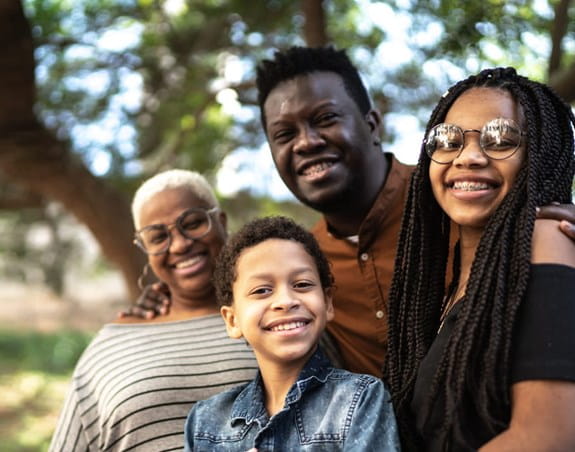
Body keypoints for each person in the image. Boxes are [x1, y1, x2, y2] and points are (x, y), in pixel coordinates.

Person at [125, 46, 575, 378]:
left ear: (372, 125)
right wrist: (161, 297)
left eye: (324, 119)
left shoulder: (463, 199)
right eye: (284, 134)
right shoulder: (300, 262)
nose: (305, 142)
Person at [385, 67, 575, 451]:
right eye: (447, 140)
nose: (468, 157)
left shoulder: (548, 237)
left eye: (501, 138)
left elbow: (550, 437)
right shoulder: (450, 284)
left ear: (539, 154)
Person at [49, 170, 258, 451]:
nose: (181, 244)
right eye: (158, 237)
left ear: (220, 221)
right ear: (145, 249)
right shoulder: (115, 341)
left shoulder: (276, 317)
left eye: (193, 223)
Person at [184, 216, 400, 451]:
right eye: (262, 290)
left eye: (302, 284)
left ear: (327, 303)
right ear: (232, 320)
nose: (286, 301)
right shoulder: (205, 422)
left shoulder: (359, 399)